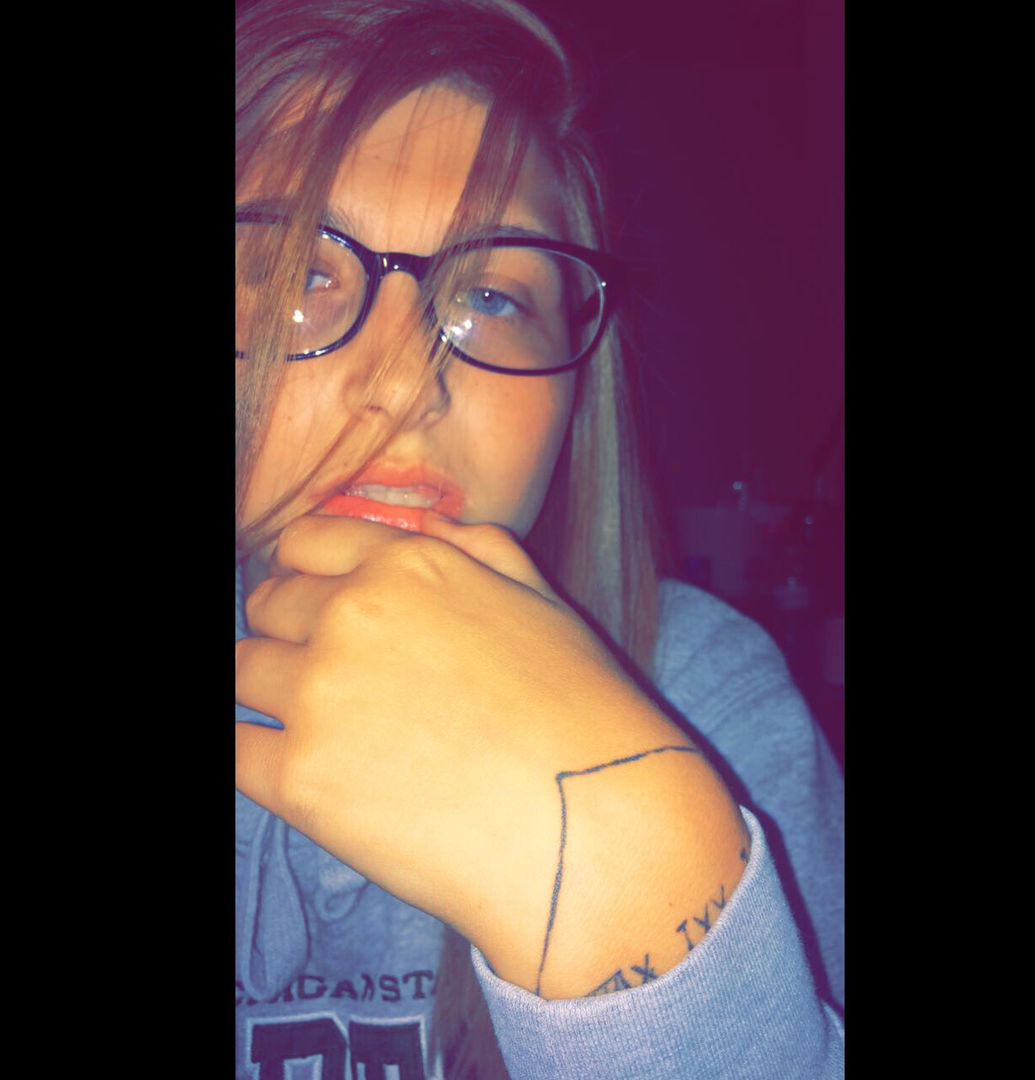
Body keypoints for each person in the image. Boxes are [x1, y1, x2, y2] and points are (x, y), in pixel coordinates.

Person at [234, 1, 844, 1077]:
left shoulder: (707, 699)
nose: (405, 385)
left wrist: (636, 879)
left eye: (488, 295)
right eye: (300, 274)